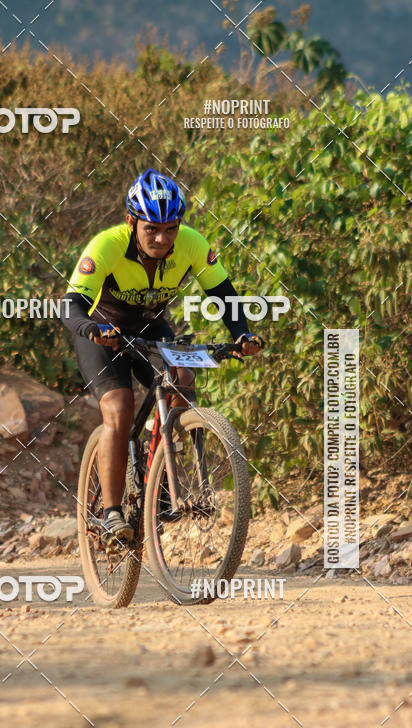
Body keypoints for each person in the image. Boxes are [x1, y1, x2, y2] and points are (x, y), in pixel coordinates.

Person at [61, 168, 263, 542]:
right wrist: (91, 329)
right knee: (119, 409)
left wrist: (243, 335)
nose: (161, 238)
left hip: (151, 327)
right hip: (102, 332)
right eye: (151, 229)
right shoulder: (106, 245)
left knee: (183, 379)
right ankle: (111, 513)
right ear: (131, 222)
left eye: (170, 228)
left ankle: (160, 479)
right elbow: (70, 305)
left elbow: (225, 296)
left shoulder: (191, 243)